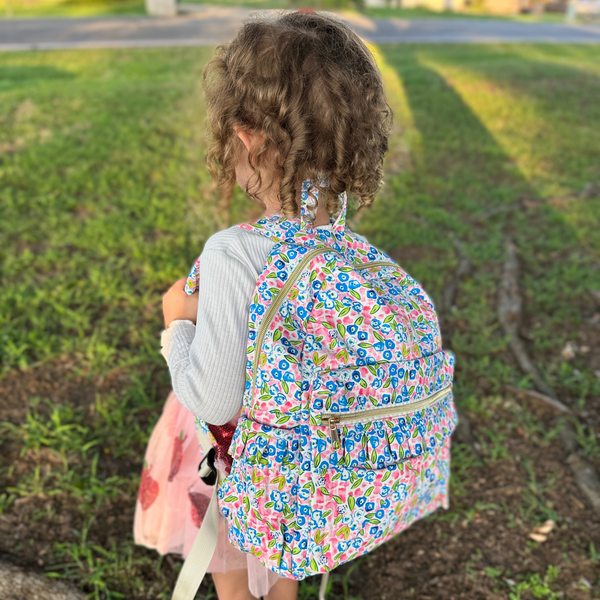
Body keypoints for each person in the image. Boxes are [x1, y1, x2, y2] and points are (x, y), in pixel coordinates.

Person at [135, 10, 400, 600]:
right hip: (307, 461)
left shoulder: (234, 254)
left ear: (247, 134)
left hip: (243, 459)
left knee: (234, 580)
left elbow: (216, 398)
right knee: (282, 574)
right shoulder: (340, 236)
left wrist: (176, 326)